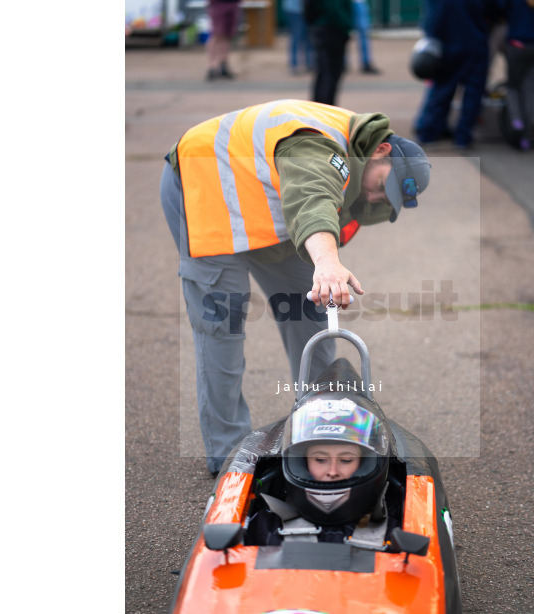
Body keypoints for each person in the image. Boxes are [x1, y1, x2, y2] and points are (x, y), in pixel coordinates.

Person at [159, 99, 432, 475]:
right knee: (223, 326)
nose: (374, 200)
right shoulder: (318, 144)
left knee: (310, 319)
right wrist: (326, 262)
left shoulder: (357, 161)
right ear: (380, 150)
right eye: (382, 186)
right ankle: (228, 457)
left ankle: (322, 429)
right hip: (205, 190)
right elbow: (311, 197)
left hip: (265, 209)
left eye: (386, 201)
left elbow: (317, 202)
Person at [245, 397, 402, 546]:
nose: (332, 471)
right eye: (320, 460)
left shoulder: (394, 532)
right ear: (302, 462)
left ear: (364, 463)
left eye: (346, 460)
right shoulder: (262, 526)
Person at [413, 0, 497, 148]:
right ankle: (463, 137)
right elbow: (494, 11)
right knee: (473, 93)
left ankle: (429, 133)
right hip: (475, 43)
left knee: (441, 90)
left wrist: (432, 42)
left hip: (447, 46)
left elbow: (431, 20)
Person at [500, 0, 534, 150]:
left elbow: (500, 9)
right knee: (530, 89)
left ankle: (517, 122)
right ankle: (529, 134)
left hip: (517, 43)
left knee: (513, 87)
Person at [306, 0, 353, 105]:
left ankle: (318, 106)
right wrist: (346, 28)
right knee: (330, 73)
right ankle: (326, 108)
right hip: (332, 29)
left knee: (323, 71)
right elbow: (335, 10)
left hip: (320, 26)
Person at [205, 0, 242, 81]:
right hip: (218, 4)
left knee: (227, 36)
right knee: (217, 35)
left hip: (233, 4)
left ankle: (223, 66)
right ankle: (212, 67)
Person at [284, 0, 313, 74]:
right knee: (297, 36)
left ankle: (309, 63)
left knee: (308, 37)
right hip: (295, 9)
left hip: (304, 8)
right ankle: (294, 64)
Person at [352, 0, 381, 74]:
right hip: (345, 3)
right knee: (339, 32)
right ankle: (341, 63)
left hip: (358, 3)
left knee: (364, 33)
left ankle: (366, 63)